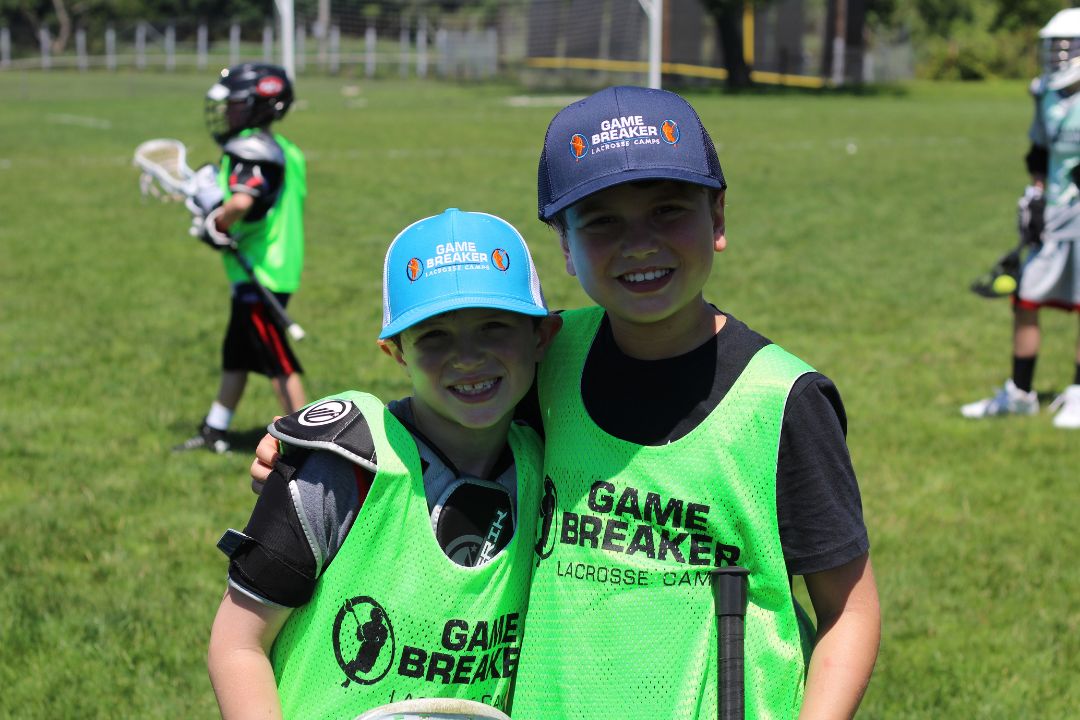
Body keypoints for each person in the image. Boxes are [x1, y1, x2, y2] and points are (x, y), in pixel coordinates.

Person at [252, 87, 880, 719]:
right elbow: (454, 391)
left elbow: (848, 610)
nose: (639, 243)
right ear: (564, 246)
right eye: (602, 220)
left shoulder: (782, 401)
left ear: (716, 218)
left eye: (667, 210)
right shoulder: (553, 357)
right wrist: (325, 452)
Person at [208, 208, 561, 720]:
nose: (468, 357)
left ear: (541, 337)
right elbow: (237, 645)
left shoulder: (553, 463)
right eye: (435, 336)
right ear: (395, 350)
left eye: (494, 326)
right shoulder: (343, 466)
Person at [175, 62, 309, 454]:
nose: (228, 111)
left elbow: (244, 200)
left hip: (261, 273)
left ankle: (312, 444)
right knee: (236, 353)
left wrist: (216, 219)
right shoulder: (286, 150)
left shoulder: (250, 150)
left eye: (235, 103)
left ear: (257, 106)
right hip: (274, 266)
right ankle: (215, 429)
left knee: (277, 360)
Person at [961, 8, 1080, 429]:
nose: (1059, 56)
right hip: (1057, 212)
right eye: (1054, 47)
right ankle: (1021, 393)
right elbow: (1040, 152)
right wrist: (1035, 195)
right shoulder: (1045, 93)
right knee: (1026, 295)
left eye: (1068, 47)